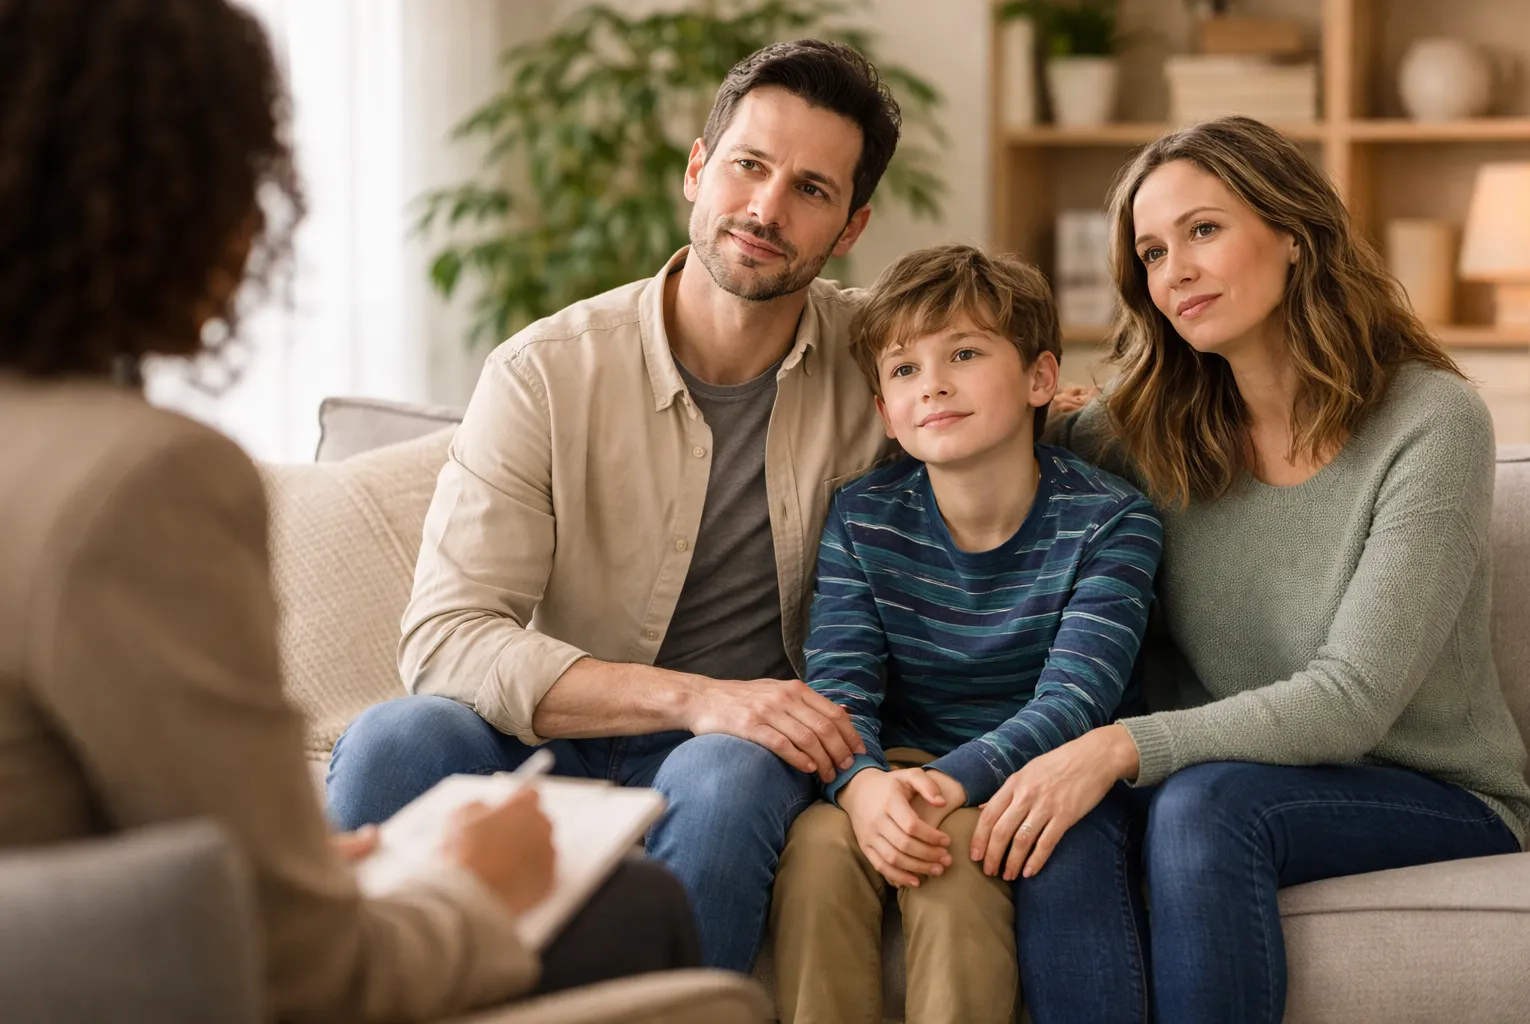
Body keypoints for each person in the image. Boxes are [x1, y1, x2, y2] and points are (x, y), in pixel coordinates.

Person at [0, 1, 709, 1020]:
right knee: (628, 905)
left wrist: (306, 868)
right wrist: (471, 885)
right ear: (167, 186)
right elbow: (300, 973)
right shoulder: (138, 482)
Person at [325, 38, 903, 972]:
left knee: (729, 770)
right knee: (399, 735)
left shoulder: (884, 360)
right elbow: (447, 637)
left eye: (811, 188)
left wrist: (1059, 410)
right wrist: (699, 699)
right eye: (749, 166)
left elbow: (1010, 399)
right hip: (543, 735)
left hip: (730, 760)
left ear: (850, 225)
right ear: (696, 169)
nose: (765, 208)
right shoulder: (543, 372)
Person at [988, 116, 1530, 1024]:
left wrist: (1120, 746)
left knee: (1208, 805)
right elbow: (986, 447)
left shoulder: (1431, 422)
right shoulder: (1137, 428)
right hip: (1216, 778)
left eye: (1203, 230)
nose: (1177, 272)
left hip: (1426, 785)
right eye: (1153, 253)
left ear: (1292, 231)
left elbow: (1352, 696)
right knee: (1062, 826)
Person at [768, 245, 1163, 1024]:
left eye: (965, 354)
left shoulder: (1112, 521)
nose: (934, 384)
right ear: (884, 410)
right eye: (905, 370)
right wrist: (864, 785)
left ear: (1040, 379)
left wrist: (952, 785)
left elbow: (1076, 699)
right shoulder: (862, 515)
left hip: (1035, 774)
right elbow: (841, 684)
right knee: (815, 850)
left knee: (953, 863)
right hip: (900, 764)